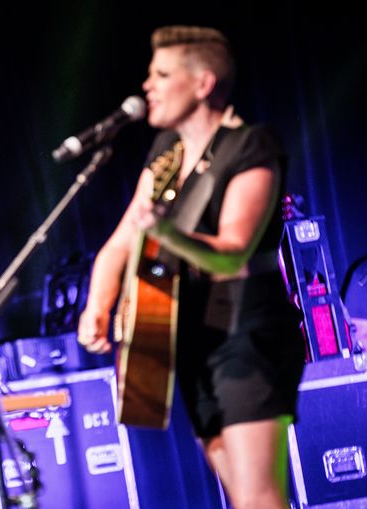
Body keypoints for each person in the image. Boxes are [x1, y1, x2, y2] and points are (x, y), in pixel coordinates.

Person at [77, 26, 304, 509]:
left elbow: (233, 250)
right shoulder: (166, 150)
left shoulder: (251, 145)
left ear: (202, 84)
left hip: (248, 328)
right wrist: (99, 302)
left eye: (161, 74)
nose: (147, 86)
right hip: (193, 334)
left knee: (260, 496)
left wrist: (166, 234)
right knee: (236, 490)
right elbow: (122, 240)